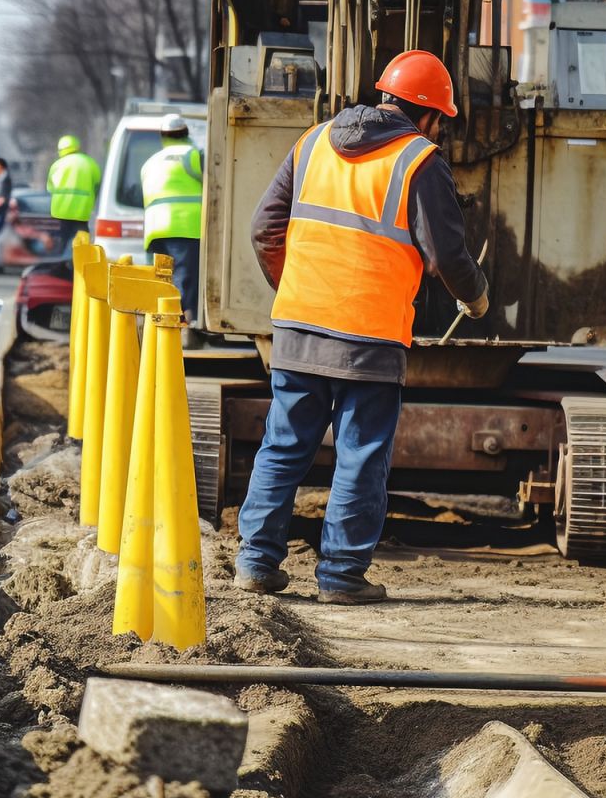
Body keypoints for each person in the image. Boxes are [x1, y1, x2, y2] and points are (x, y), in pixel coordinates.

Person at [234, 49, 490, 606]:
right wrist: (475, 298)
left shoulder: (313, 141)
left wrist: (297, 288)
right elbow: (447, 253)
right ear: (428, 114)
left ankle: (256, 563)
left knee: (282, 447)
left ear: (384, 95)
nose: (440, 132)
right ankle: (342, 577)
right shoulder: (419, 159)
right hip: (370, 340)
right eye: (440, 120)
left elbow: (263, 228)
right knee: (360, 454)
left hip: (300, 329)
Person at [140, 114, 203, 322]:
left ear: (162, 136)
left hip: (155, 229)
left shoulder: (149, 163)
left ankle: (160, 320)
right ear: (185, 133)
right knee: (185, 275)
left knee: (163, 277)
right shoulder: (192, 155)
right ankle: (181, 322)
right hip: (184, 225)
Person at [47, 134, 101, 249]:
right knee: (82, 237)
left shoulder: (57, 165)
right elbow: (97, 184)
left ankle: (62, 261)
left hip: (60, 210)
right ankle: (81, 262)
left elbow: (50, 188)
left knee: (63, 238)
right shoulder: (90, 163)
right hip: (82, 210)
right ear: (77, 147)